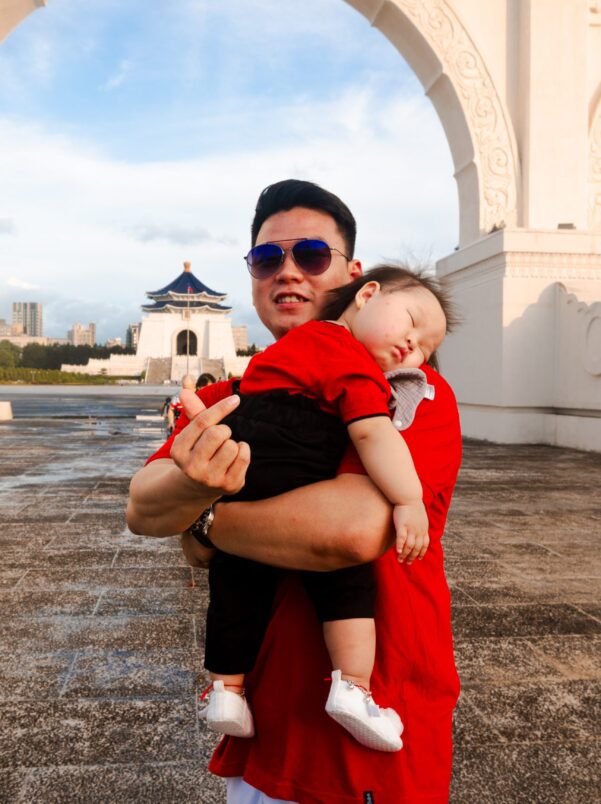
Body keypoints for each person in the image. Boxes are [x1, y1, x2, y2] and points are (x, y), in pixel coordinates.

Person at [127, 179, 462, 803]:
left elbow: (349, 531)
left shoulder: (409, 394)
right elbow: (142, 505)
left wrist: (206, 524)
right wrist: (189, 492)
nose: (288, 272)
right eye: (266, 258)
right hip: (261, 744)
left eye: (310, 256)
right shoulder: (242, 387)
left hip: (362, 757)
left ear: (357, 278)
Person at [197, 264, 448, 754]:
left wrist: (207, 525)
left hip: (247, 457)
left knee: (237, 578)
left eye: (424, 347)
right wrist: (409, 499)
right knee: (346, 577)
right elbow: (372, 433)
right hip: (301, 450)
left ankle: (226, 691)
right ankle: (353, 687)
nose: (412, 347)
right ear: (366, 293)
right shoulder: (346, 354)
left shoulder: (285, 350)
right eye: (411, 322)